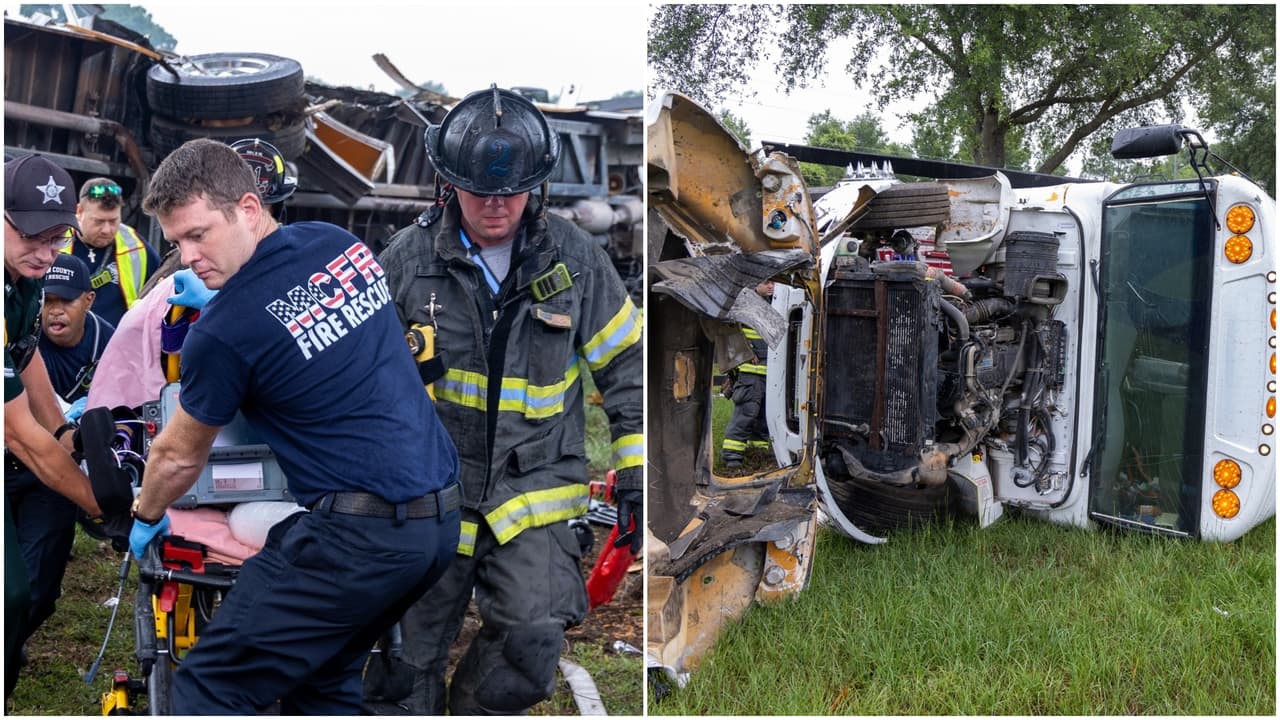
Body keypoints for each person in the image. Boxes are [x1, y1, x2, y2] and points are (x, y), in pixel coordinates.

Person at [128, 138, 461, 714]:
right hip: (438, 526)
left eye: (199, 234)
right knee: (323, 678)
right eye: (177, 241)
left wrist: (146, 515)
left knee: (211, 685)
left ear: (250, 210)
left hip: (358, 540)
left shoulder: (223, 333)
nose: (186, 257)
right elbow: (311, 333)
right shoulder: (342, 247)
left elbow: (178, 457)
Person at [371, 86, 643, 715]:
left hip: (534, 493)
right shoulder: (407, 263)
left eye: (510, 190)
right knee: (400, 659)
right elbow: (366, 383)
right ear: (449, 183)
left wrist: (634, 473)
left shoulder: (576, 261)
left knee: (530, 639)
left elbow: (627, 365)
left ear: (537, 185)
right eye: (479, 190)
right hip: (429, 491)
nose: (495, 205)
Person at [4, 154, 127, 699]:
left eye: (57, 238)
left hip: (23, 448)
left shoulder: (22, 281)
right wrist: (101, 505)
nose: (45, 252)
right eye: (30, 234)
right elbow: (17, 435)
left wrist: (64, 437)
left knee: (28, 594)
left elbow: (24, 355)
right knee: (9, 594)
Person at [61, 177, 160, 325]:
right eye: (99, 222)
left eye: (114, 221)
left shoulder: (136, 246)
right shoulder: (55, 243)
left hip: (116, 343)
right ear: (79, 211)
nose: (107, 230)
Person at [38, 253, 115, 405]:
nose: (56, 311)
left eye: (66, 300)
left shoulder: (107, 339)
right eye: (47, 300)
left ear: (89, 300)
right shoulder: (28, 342)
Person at [722, 280, 775, 469]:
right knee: (747, 413)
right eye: (767, 283)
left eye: (774, 283)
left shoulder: (773, 305)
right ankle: (731, 458)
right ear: (755, 284)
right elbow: (729, 332)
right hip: (749, 374)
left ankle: (757, 455)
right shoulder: (743, 305)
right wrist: (745, 352)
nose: (772, 286)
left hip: (770, 375)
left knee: (764, 417)